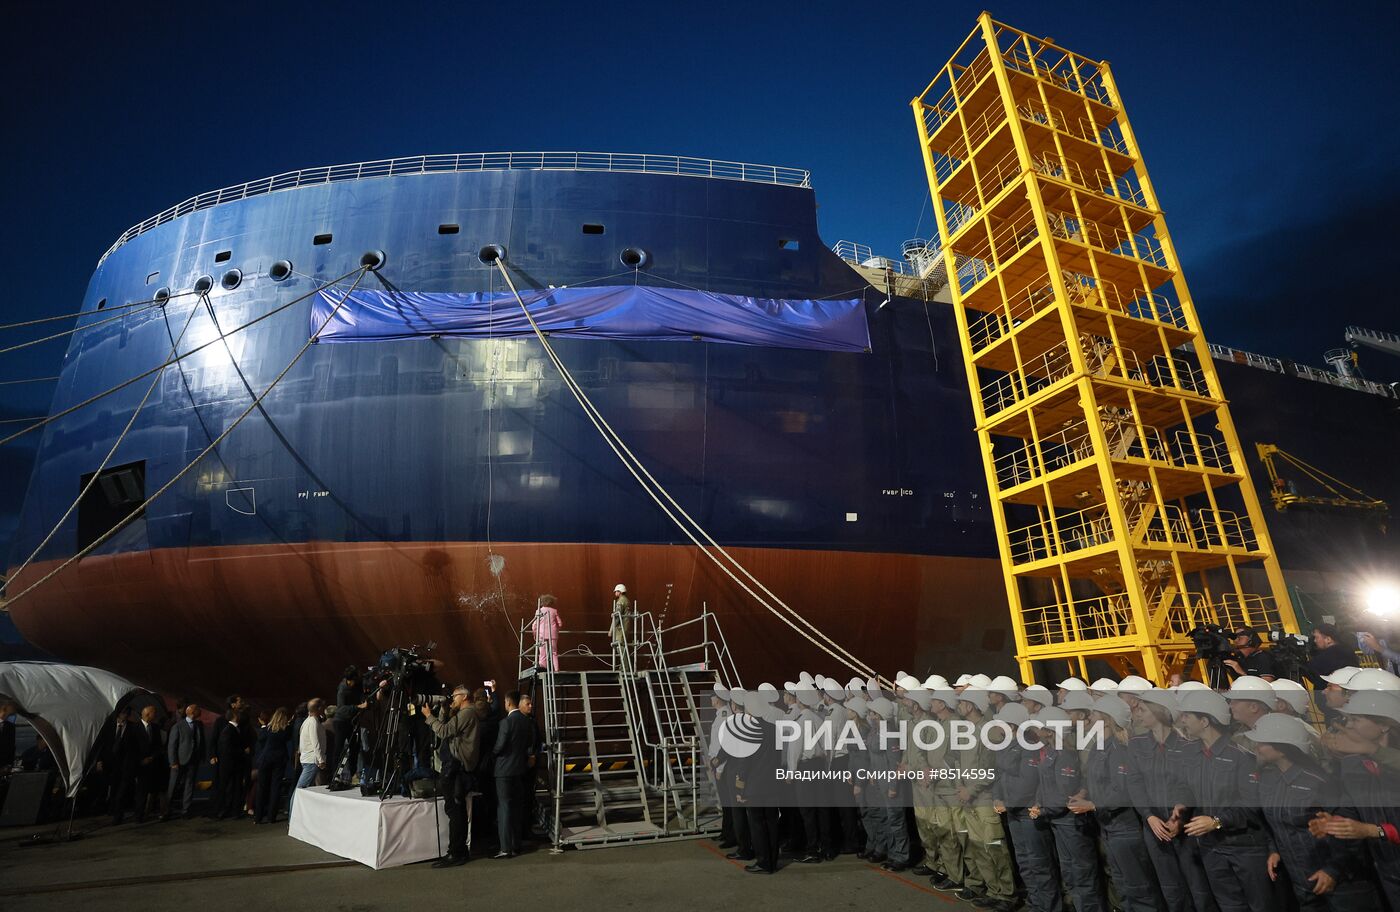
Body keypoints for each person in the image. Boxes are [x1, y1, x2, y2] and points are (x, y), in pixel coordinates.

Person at [1245, 713, 1380, 911]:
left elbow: (1350, 832)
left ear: (1282, 748)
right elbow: (1273, 824)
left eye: (1262, 743)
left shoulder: (1320, 782)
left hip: (1344, 885)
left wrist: (1333, 870)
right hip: (1303, 884)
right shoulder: (1268, 779)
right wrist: (1274, 850)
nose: (1257, 747)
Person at [1170, 689, 1273, 912]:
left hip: (1246, 847)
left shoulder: (1242, 755)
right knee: (1230, 906)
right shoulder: (1192, 753)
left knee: (1262, 905)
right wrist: (1181, 804)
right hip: (1212, 846)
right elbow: (1186, 786)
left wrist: (1217, 821)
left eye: (1187, 715)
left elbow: (1252, 805)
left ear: (1205, 721)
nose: (1182, 720)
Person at [423, 684, 482, 868]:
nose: (452, 699)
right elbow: (445, 729)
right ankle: (459, 851)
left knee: (455, 812)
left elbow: (443, 731)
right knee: (456, 811)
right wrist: (442, 710)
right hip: (456, 769)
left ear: (464, 696)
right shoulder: (463, 714)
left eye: (455, 696)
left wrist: (429, 716)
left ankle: (455, 853)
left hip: (456, 770)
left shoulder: (467, 713)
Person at [492, 690, 536, 858]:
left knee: (504, 807)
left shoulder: (506, 722)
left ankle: (505, 848)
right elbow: (529, 743)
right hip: (519, 769)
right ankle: (516, 845)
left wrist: (493, 754)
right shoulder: (526, 722)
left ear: (508, 702)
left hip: (504, 770)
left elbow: (500, 745)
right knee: (517, 808)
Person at [254, 707, 295, 824]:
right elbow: (288, 735)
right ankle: (271, 817)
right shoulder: (286, 730)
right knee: (276, 787)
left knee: (262, 787)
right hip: (280, 759)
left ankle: (258, 817)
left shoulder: (268, 729)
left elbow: (261, 739)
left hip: (266, 759)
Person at [164, 703, 204, 820]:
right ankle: (167, 810)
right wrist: (173, 762)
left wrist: (201, 756)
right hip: (179, 761)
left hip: (193, 760)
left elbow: (201, 742)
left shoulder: (199, 725)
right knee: (173, 785)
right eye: (198, 710)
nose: (200, 711)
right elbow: (172, 745)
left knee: (189, 785)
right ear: (191, 712)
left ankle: (186, 810)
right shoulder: (178, 726)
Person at [105, 705, 141, 824]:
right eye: (122, 713)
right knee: (113, 790)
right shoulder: (110, 726)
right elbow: (104, 744)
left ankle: (118, 816)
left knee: (121, 792)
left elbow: (136, 747)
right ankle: (113, 810)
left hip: (126, 765)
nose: (124, 715)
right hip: (112, 765)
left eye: (126, 713)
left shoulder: (133, 727)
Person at [214, 705, 251, 819]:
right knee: (227, 788)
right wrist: (243, 751)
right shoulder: (228, 731)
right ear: (234, 716)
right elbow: (227, 749)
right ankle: (222, 811)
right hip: (229, 765)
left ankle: (233, 811)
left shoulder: (234, 729)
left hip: (234, 765)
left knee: (235, 788)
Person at [292, 698, 326, 812]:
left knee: (303, 790)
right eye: (323, 707)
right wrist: (321, 760)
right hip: (311, 760)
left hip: (308, 759)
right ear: (319, 708)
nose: (324, 709)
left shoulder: (308, 721)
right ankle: (293, 815)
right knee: (300, 789)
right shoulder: (313, 722)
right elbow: (315, 742)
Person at [1306, 624, 1357, 689]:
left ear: (1328, 639)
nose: (1315, 641)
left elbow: (1311, 669)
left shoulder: (1331, 654)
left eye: (1317, 637)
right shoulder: (1346, 650)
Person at [333, 666, 362, 779]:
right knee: (339, 749)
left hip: (352, 721)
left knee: (354, 749)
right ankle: (335, 776)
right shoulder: (342, 689)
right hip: (341, 722)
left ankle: (353, 774)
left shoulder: (357, 685)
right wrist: (358, 707)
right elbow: (341, 709)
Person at [531, 596, 562, 673]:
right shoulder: (554, 611)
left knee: (542, 652)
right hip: (553, 635)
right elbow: (560, 623)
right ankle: (556, 669)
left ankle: (543, 668)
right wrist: (556, 630)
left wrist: (535, 634)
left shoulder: (539, 611)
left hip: (542, 634)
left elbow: (534, 625)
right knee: (554, 652)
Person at [609, 583, 632, 653]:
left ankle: (625, 661)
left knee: (620, 646)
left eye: (616, 591)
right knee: (621, 645)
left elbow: (617, 616)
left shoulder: (620, 601)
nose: (615, 593)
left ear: (620, 592)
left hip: (621, 627)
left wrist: (611, 630)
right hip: (626, 625)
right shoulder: (626, 600)